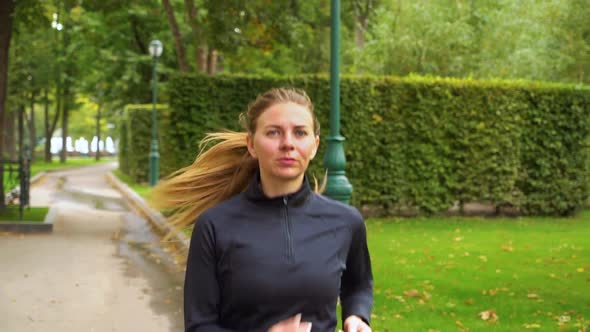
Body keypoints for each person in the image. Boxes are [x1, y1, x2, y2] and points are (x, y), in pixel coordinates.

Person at [151, 88, 373, 332]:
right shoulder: (214, 226)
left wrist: (357, 316)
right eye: (273, 132)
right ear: (252, 144)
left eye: (300, 133)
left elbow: (358, 285)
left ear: (314, 146)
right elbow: (199, 325)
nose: (288, 143)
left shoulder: (346, 222)